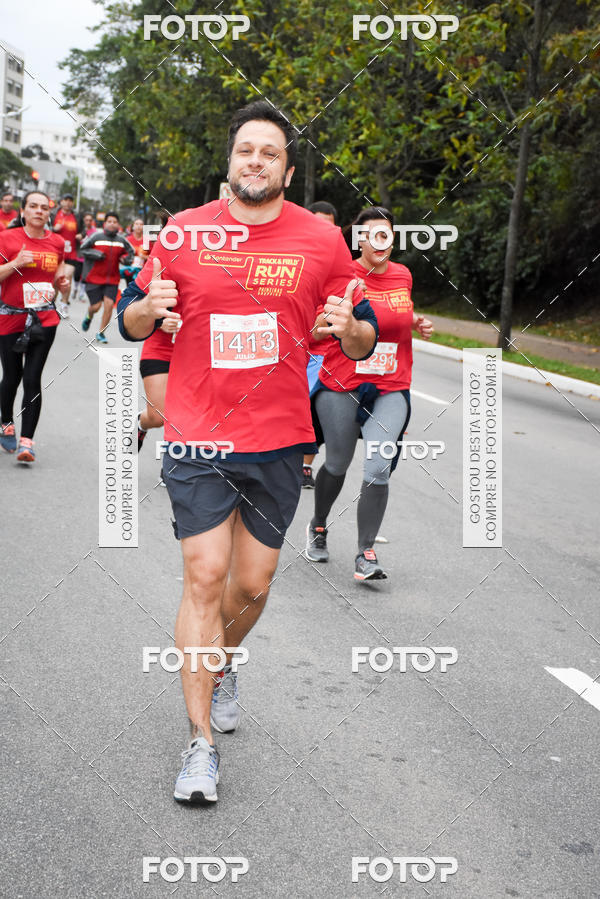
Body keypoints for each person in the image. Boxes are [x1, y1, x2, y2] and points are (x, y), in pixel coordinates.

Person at [118, 100, 377, 805]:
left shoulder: (322, 241)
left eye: (270, 152)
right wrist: (147, 308)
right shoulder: (183, 231)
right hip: (198, 432)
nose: (255, 161)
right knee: (205, 576)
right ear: (229, 160)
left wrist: (350, 328)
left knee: (252, 586)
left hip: (278, 438)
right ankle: (199, 743)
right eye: (245, 150)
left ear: (287, 172)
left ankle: (224, 662)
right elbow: (133, 322)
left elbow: (361, 340)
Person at [305, 207, 434, 580]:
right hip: (342, 382)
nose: (381, 241)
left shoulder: (403, 275)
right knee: (337, 463)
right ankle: (318, 524)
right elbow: (314, 327)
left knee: (378, 466)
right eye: (372, 234)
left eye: (387, 234)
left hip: (391, 385)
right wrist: (329, 323)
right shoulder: (340, 274)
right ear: (358, 240)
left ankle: (365, 553)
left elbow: (396, 312)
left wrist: (415, 321)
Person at [0, 191, 69, 462]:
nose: (39, 211)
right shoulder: (7, 238)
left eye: (44, 207)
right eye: (33, 206)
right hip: (11, 317)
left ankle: (27, 443)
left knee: (32, 378)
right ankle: (6, 423)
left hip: (44, 318)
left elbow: (59, 278)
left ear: (49, 213)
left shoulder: (57, 242)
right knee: (12, 376)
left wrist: (63, 285)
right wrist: (16, 263)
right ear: (23, 211)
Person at [302, 201, 339, 488]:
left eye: (329, 226)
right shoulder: (291, 260)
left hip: (328, 357)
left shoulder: (344, 268)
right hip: (295, 353)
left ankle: (304, 466)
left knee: (320, 415)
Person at [80, 212, 133, 344]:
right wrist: (96, 254)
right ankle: (89, 316)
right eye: (109, 221)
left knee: (109, 305)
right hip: (94, 278)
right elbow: (83, 249)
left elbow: (130, 252)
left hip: (112, 279)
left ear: (118, 225)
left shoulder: (121, 240)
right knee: (96, 307)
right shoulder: (96, 236)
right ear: (104, 224)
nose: (112, 224)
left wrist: (125, 259)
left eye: (114, 222)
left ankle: (101, 333)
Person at [51, 194, 79, 317]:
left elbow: (85, 229)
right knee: (55, 281)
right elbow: (45, 228)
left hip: (71, 253)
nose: (68, 203)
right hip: (55, 253)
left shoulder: (77, 216)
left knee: (66, 277)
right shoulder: (53, 214)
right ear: (61, 202)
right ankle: (52, 306)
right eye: (65, 200)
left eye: (70, 200)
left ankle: (64, 305)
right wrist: (53, 228)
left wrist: (81, 235)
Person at [121, 218, 147, 286]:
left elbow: (153, 256)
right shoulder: (127, 240)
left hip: (142, 272)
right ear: (133, 227)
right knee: (130, 289)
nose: (139, 226)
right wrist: (128, 258)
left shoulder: (147, 240)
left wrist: (144, 256)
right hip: (129, 271)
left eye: (141, 224)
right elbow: (122, 254)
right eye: (136, 224)